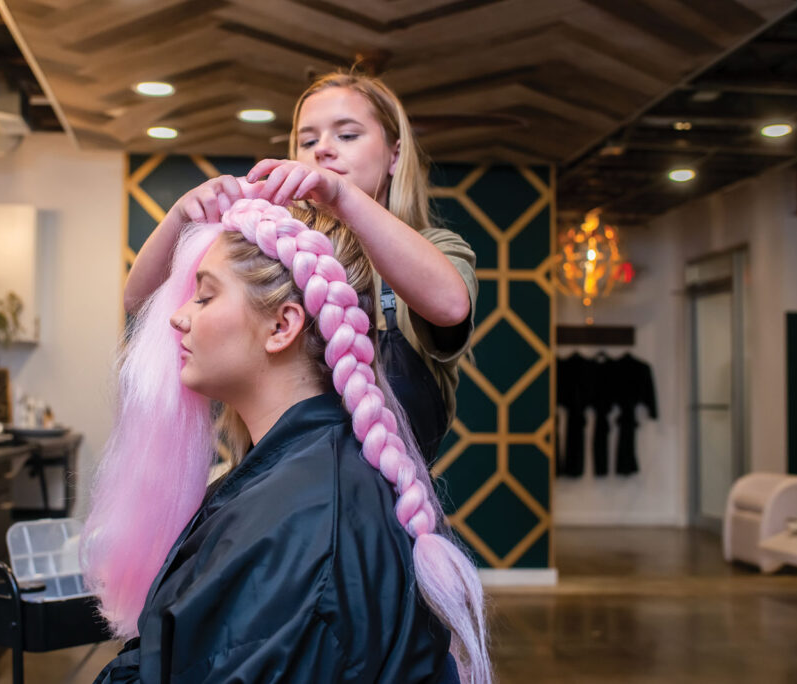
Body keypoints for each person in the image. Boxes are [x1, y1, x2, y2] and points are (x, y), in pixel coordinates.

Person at [84, 198, 492, 683]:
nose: (178, 318)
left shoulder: (301, 523)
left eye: (205, 295)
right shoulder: (294, 485)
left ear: (282, 326)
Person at [124, 71, 478, 464]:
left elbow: (449, 306)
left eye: (347, 135)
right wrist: (180, 216)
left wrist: (342, 196)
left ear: (395, 155)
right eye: (308, 141)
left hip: (380, 509)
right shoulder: (272, 244)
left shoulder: (435, 248)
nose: (323, 149)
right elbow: (140, 302)